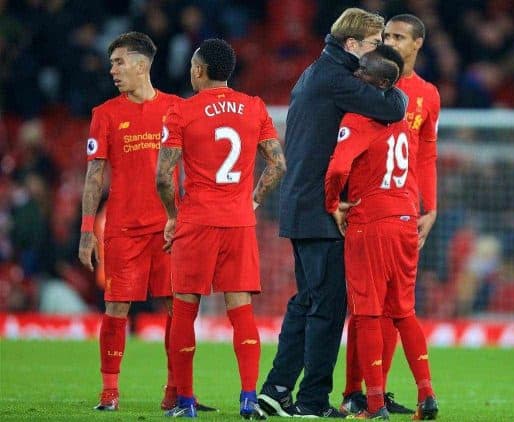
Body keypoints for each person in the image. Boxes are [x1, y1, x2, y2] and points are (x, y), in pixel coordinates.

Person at [258, 8, 407, 419]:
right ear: (353, 45)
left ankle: (276, 389)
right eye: (375, 44)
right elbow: (395, 105)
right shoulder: (338, 79)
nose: (381, 50)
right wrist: (396, 81)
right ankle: (312, 401)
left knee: (307, 301)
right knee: (327, 305)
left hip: (302, 203)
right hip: (318, 208)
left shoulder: (318, 72)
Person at [78, 31, 215, 413]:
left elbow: (199, 165)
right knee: (116, 307)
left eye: (119, 62)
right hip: (122, 229)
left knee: (178, 306)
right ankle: (109, 392)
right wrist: (87, 230)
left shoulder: (176, 108)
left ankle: (175, 392)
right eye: (111, 64)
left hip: (170, 229)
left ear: (142, 66)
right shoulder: (104, 115)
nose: (113, 70)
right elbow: (94, 178)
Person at [156, 38, 286, 419]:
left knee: (184, 310)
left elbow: (164, 176)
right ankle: (248, 399)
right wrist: (254, 201)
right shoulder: (255, 108)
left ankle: (185, 402)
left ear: (198, 70)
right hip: (238, 222)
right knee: (241, 311)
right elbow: (278, 165)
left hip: (196, 221)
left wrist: (171, 215)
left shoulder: (182, 111)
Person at [325, 43, 439, 421]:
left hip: (370, 223)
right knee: (404, 311)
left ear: (374, 81)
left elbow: (339, 169)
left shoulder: (357, 121)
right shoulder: (405, 124)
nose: (355, 77)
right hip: (406, 221)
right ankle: (426, 395)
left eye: (361, 73)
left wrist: (331, 204)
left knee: (369, 313)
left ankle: (373, 405)